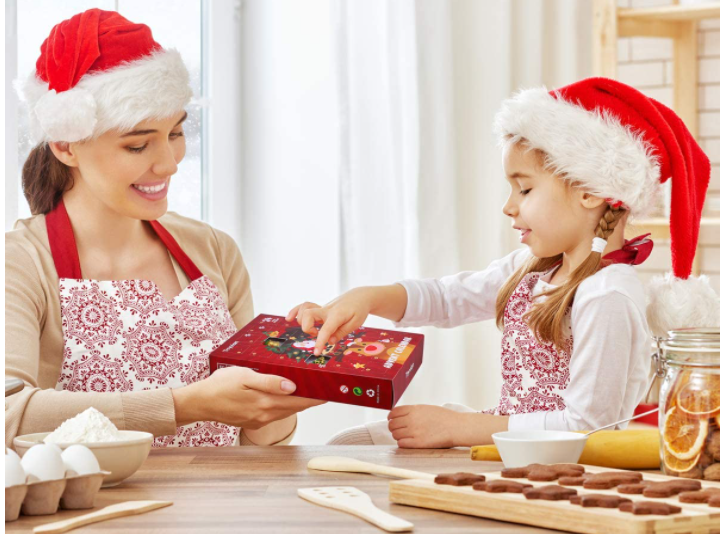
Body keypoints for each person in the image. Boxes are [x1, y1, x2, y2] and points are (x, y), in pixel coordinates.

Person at [287, 77, 716, 448]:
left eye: (524, 190)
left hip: (559, 467)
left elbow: (587, 427)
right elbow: (446, 298)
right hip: (510, 444)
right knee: (348, 444)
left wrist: (460, 427)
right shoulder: (535, 267)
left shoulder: (608, 295)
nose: (509, 207)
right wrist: (366, 299)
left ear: (591, 191)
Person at [5, 8, 322, 449]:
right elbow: (9, 415)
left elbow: (259, 447)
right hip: (95, 513)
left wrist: (285, 384)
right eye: (138, 144)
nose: (170, 163)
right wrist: (184, 405)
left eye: (175, 132)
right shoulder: (20, 264)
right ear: (64, 145)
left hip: (220, 512)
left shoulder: (212, 249)